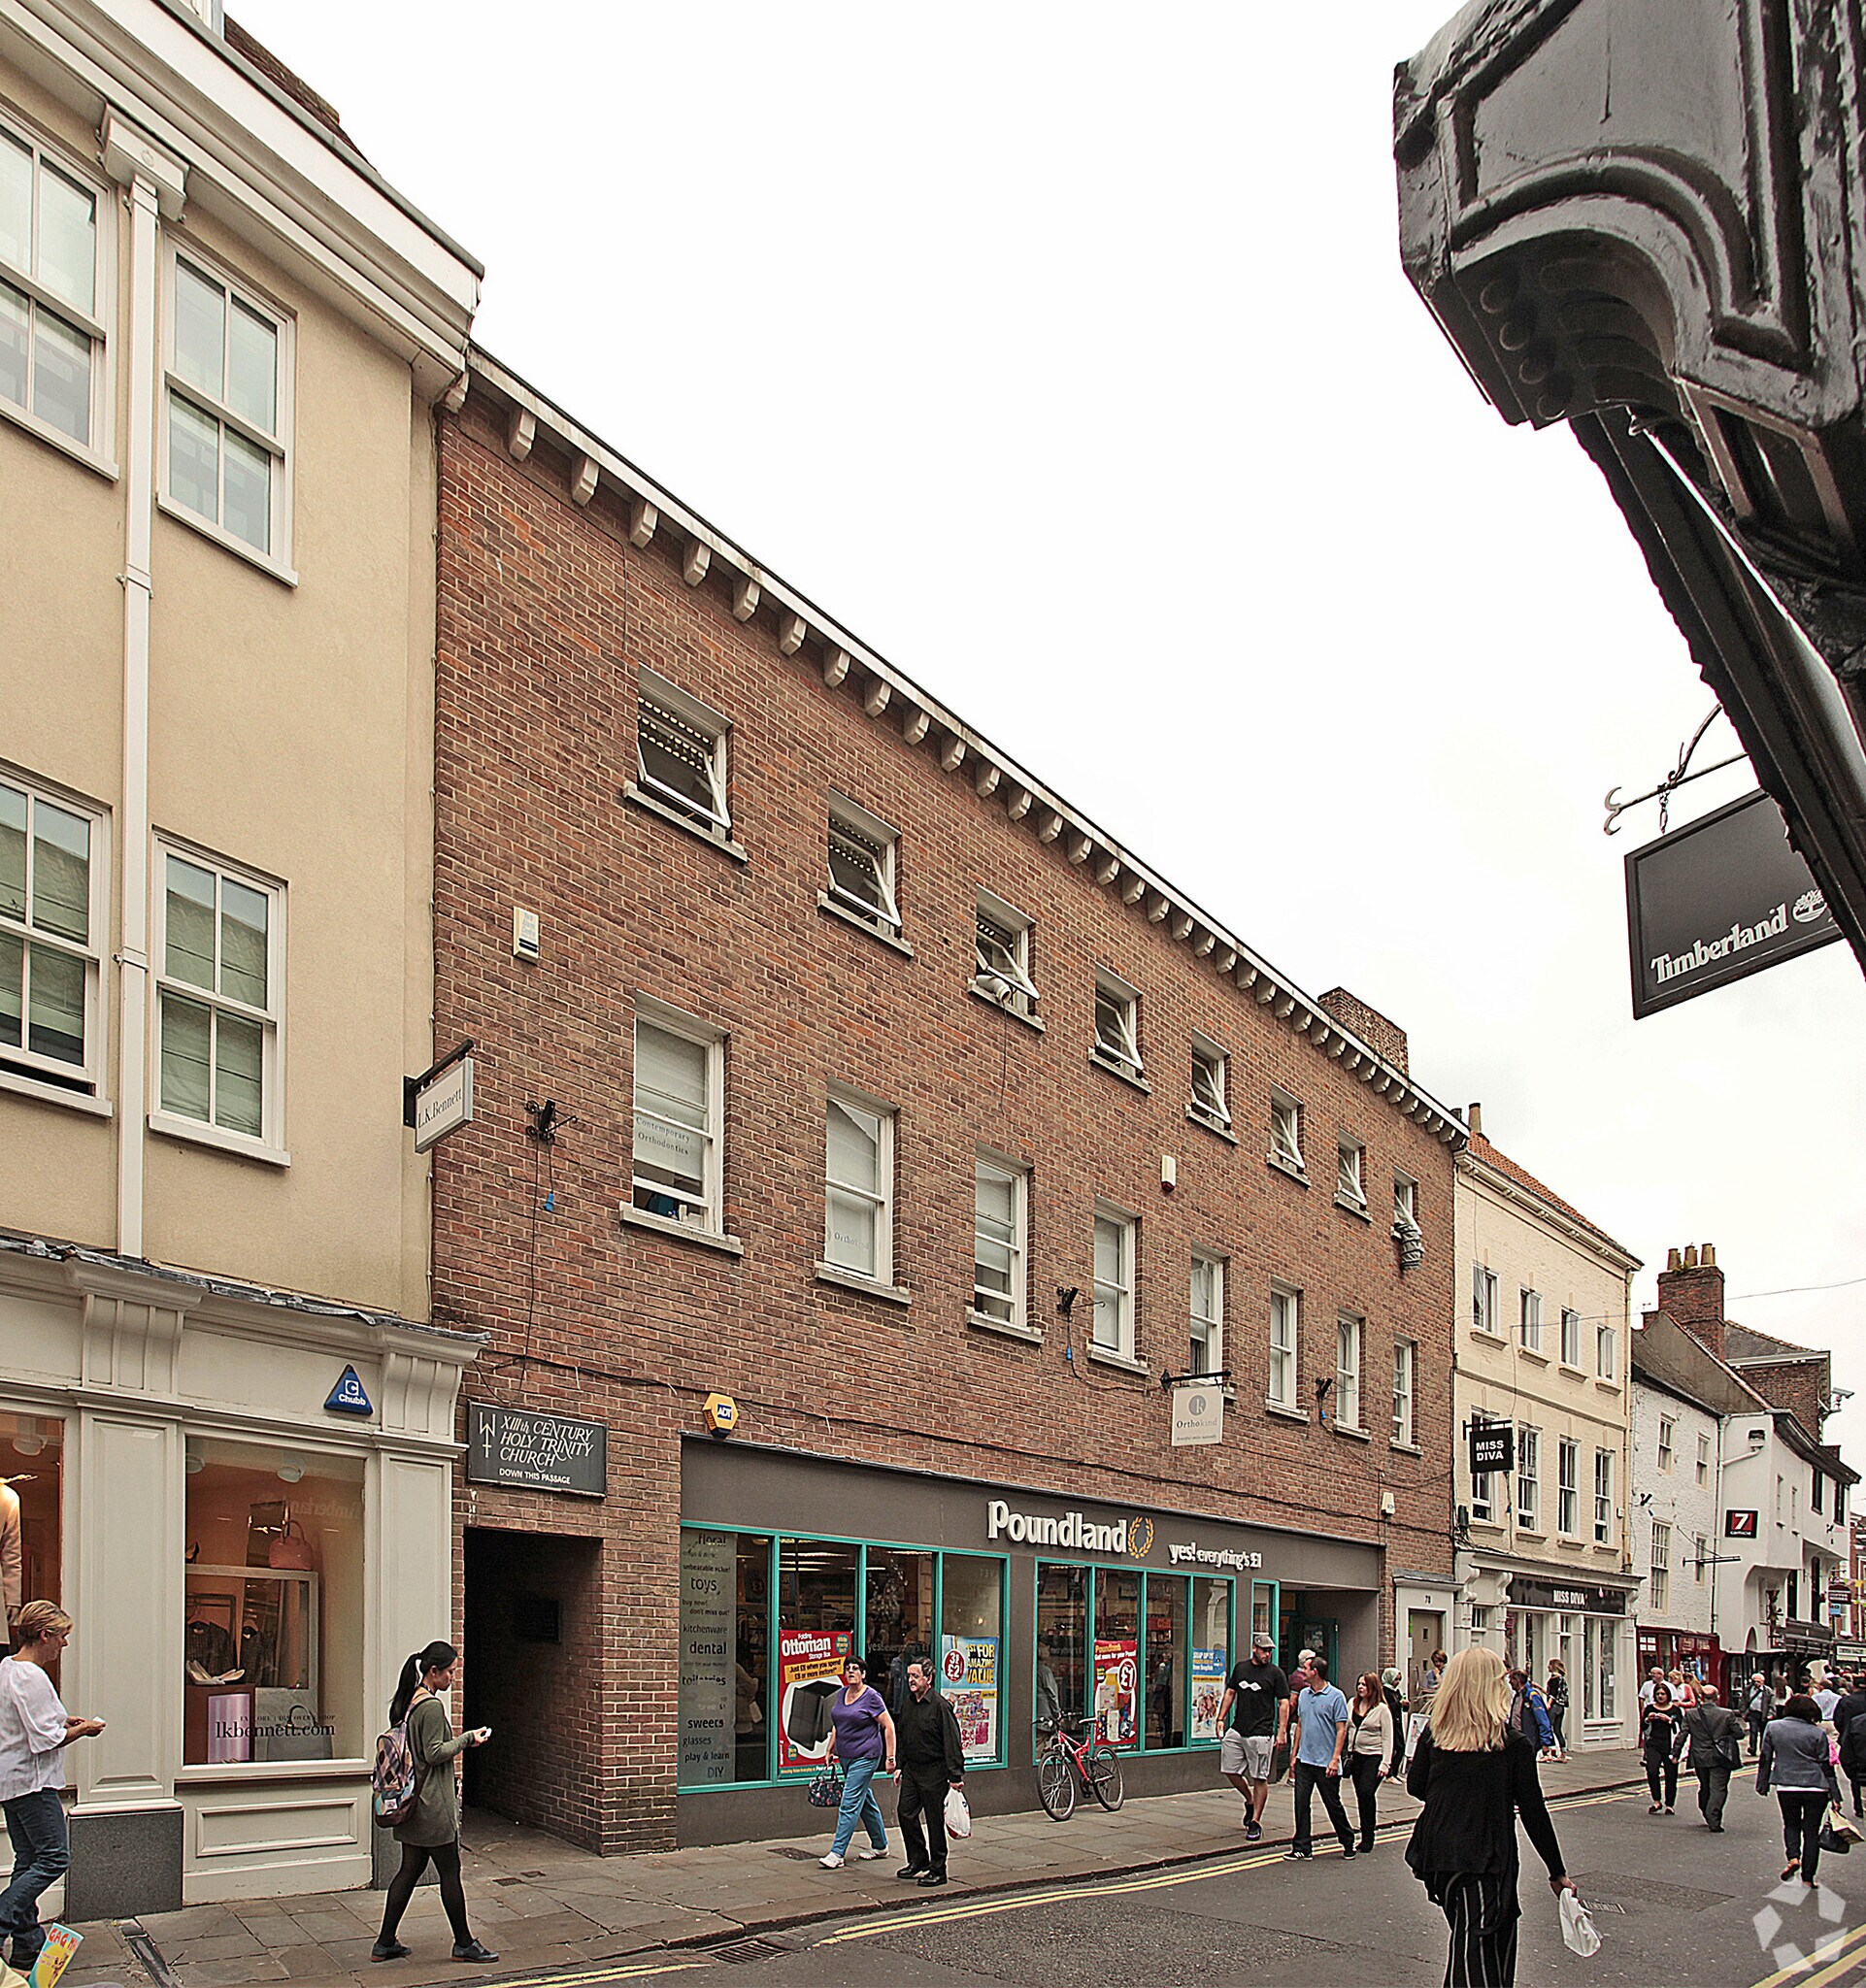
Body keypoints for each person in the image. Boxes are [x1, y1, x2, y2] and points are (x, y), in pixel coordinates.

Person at [1405, 1646, 1575, 1988]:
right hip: (1485, 1860)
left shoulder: (1435, 1735)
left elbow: (1416, 1786)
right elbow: (1533, 1811)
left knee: (1480, 1944)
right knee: (1478, 1953)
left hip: (1437, 1857)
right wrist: (1557, 1872)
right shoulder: (1512, 1745)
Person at [372, 1640, 496, 1965]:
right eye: (451, 1672)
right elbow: (434, 1752)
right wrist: (469, 1738)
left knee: (409, 1871)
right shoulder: (429, 1707)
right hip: (431, 1807)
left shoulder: (410, 1702)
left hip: (414, 1804)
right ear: (433, 1671)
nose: (454, 1677)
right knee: (450, 1872)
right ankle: (465, 1943)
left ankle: (385, 1942)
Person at [0, 1603, 104, 1979]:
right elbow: (46, 1738)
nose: (64, 1644)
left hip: (10, 1782)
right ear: (44, 1635)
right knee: (54, 1858)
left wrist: (65, 1718)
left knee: (27, 1861)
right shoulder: (32, 1676)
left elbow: (29, 1722)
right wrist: (83, 1728)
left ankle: (28, 1945)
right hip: (34, 1782)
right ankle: (2, 1921)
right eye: (62, 1637)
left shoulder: (7, 1669)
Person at [818, 1655, 896, 1871]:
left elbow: (888, 1726)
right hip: (845, 1756)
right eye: (848, 1669)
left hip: (866, 1755)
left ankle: (837, 1853)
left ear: (863, 1674)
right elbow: (838, 1724)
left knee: (850, 1802)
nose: (851, 1671)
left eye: (856, 1669)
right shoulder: (842, 1694)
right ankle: (880, 1846)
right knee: (865, 1801)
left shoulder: (872, 1697)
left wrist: (891, 1758)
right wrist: (830, 1749)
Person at [892, 1656, 963, 1888]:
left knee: (934, 1821)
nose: (911, 1680)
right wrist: (900, 1765)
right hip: (912, 1769)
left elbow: (952, 1741)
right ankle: (918, 1860)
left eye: (915, 1676)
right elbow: (903, 1736)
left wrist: (955, 1776)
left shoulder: (941, 1706)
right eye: (909, 1676)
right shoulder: (908, 1704)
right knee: (905, 1813)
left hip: (935, 1771)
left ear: (929, 1679)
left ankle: (938, 1870)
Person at [1759, 1692, 1841, 1886]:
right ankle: (1808, 1878)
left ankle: (1793, 1857)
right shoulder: (1817, 1733)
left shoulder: (1773, 1727)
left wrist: (1763, 1783)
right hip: (1816, 1786)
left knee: (1791, 1824)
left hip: (1786, 1785)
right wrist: (1835, 1795)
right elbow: (1826, 1765)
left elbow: (1765, 1758)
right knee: (1811, 1831)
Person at [1216, 1632, 1286, 1842]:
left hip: (1261, 1732)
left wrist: (1281, 1732)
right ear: (1254, 1649)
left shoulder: (1276, 1674)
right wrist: (1221, 1718)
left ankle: (1255, 1822)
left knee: (1260, 1777)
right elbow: (1230, 1692)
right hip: (1238, 1729)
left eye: (1270, 1651)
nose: (1267, 1654)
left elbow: (1284, 1703)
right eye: (1264, 1650)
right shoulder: (1241, 1668)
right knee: (1229, 1769)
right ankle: (1249, 1800)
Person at [1284, 1657, 1354, 1861]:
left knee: (1332, 1805)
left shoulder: (1336, 1696)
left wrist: (1335, 1760)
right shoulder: (1304, 1695)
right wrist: (1294, 1754)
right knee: (1301, 1803)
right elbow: (1300, 1725)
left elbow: (1341, 1730)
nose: (1302, 1672)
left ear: (1315, 1672)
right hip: (1305, 1760)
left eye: (1306, 1668)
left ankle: (1347, 1840)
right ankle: (1302, 1847)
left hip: (1326, 1763)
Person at [1681, 1683, 1743, 1832]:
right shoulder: (1727, 1714)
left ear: (1701, 1697)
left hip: (1700, 1756)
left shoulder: (1691, 1714)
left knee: (1705, 1786)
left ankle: (1705, 1810)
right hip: (1721, 1756)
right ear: (1717, 1697)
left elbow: (1682, 1734)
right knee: (1718, 1788)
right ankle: (1713, 1818)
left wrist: (1675, 1754)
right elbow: (1739, 1734)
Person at [1346, 1671, 1394, 1853]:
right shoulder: (1352, 1704)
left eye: (1364, 1684)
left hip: (1374, 1757)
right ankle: (1365, 1832)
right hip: (1356, 1756)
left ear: (1373, 1687)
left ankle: (1368, 1837)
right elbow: (1346, 1727)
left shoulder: (1382, 1709)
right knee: (1361, 1796)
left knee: (1367, 1792)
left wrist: (1385, 1764)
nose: (1360, 1687)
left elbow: (1388, 1738)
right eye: (1359, 1684)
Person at [1642, 1682, 1681, 1813]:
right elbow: (1643, 1727)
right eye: (1658, 1694)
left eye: (1663, 1694)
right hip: (1653, 1744)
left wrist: (1670, 1721)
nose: (1660, 1696)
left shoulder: (1674, 1710)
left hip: (1669, 1745)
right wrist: (1648, 1719)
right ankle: (1656, 1801)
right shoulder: (1650, 1708)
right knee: (1652, 1771)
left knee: (1671, 1775)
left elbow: (1681, 1728)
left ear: (1668, 1695)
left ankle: (1670, 1804)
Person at [1405, 1650, 1446, 1767]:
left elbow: (1444, 1688)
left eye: (1440, 1662)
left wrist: (1438, 1676)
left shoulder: (1447, 1672)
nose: (1438, 1664)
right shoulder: (1429, 1674)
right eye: (1436, 1662)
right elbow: (1425, 1688)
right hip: (1431, 1706)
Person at [1506, 1669, 1553, 1753]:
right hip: (1516, 1738)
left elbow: (1542, 1719)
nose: (1509, 1682)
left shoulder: (1532, 1696)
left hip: (1528, 1739)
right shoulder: (1518, 1696)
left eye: (1511, 1679)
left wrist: (1545, 1742)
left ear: (1517, 1680)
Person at [1840, 1688, 1866, 1823]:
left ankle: (1859, 1807)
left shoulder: (1856, 1723)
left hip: (1861, 1771)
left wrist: (1853, 1772)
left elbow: (1846, 1754)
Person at [1380, 1667, 1408, 1777]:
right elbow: (1387, 1707)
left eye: (1399, 1680)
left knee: (1401, 1747)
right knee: (1395, 1747)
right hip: (1390, 1722)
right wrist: (1399, 1704)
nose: (1397, 1683)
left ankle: (1395, 1772)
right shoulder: (1385, 1691)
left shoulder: (1396, 1692)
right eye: (1396, 1680)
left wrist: (1405, 1705)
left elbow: (1402, 1708)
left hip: (1398, 1721)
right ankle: (1390, 1774)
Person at [1543, 1658, 1569, 1763]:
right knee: (1557, 1730)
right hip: (1561, 1707)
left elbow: (1552, 1694)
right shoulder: (1562, 1679)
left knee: (1547, 1728)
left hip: (1554, 1707)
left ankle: (1548, 1752)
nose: (1548, 1667)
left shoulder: (1554, 1679)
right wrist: (1538, 1687)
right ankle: (1563, 1753)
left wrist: (1549, 1704)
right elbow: (1552, 1693)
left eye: (1549, 1665)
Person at [1747, 1673, 1773, 1759]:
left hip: (1763, 1714)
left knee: (1763, 1733)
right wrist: (1743, 1712)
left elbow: (1771, 1703)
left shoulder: (1768, 1691)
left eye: (1758, 1682)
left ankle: (1762, 1750)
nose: (1756, 1683)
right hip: (1753, 1713)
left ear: (1763, 1682)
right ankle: (1752, 1749)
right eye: (1755, 1681)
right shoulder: (1748, 1689)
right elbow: (1743, 1701)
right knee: (1753, 1732)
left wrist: (1770, 1714)